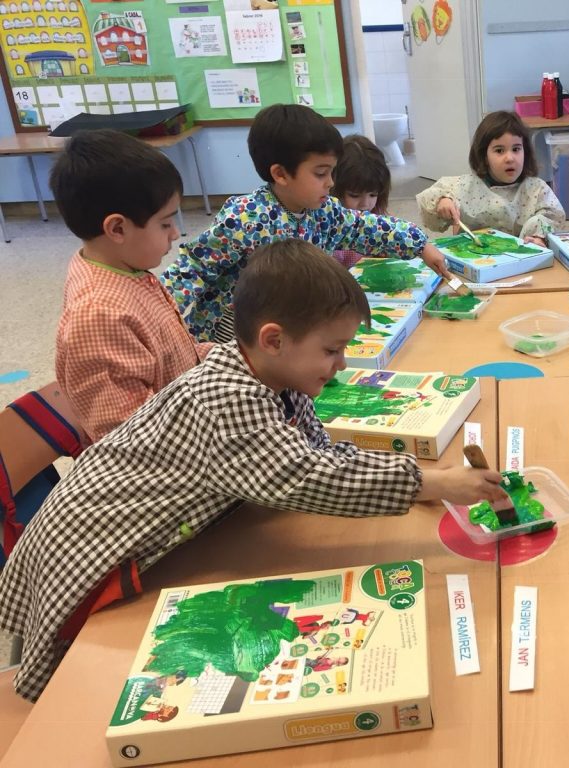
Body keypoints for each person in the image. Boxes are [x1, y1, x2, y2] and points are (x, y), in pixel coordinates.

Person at [0, 240, 505, 703]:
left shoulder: (270, 375)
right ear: (274, 339)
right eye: (331, 350)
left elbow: (320, 453)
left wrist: (418, 481)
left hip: (138, 532)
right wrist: (431, 482)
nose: (342, 364)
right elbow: (306, 477)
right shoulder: (228, 398)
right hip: (95, 548)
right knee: (82, 685)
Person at [161, 104, 452, 343]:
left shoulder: (324, 210)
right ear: (281, 174)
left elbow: (367, 228)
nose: (331, 183)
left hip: (292, 323)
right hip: (237, 332)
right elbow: (192, 266)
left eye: (332, 172)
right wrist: (162, 318)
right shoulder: (245, 217)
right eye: (321, 174)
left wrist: (420, 245)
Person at [48, 129, 211, 443]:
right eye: (165, 223)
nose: (175, 234)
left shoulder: (127, 270)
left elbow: (177, 357)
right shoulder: (99, 316)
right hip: (164, 460)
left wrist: (234, 358)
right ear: (117, 229)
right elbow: (129, 439)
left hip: (187, 419)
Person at [416, 110, 565, 245]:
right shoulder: (465, 186)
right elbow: (429, 201)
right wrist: (443, 201)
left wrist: (539, 238)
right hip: (473, 257)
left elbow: (553, 216)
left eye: (516, 149)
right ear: (484, 156)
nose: (510, 158)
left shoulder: (536, 189)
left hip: (523, 258)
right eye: (499, 150)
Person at [330, 134, 391, 269]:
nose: (365, 205)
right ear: (335, 190)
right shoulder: (332, 228)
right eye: (355, 195)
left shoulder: (377, 213)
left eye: (373, 194)